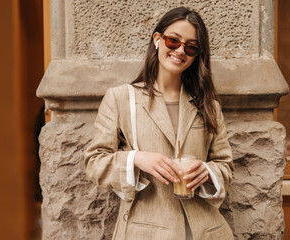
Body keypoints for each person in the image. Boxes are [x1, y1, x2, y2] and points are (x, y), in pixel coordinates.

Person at [84, 7, 234, 240]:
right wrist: (137, 159)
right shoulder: (121, 98)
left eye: (191, 47)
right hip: (145, 232)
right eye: (173, 41)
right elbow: (94, 162)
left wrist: (207, 172)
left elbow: (225, 166)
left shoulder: (208, 105)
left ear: (197, 55)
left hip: (206, 232)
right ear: (157, 40)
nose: (180, 50)